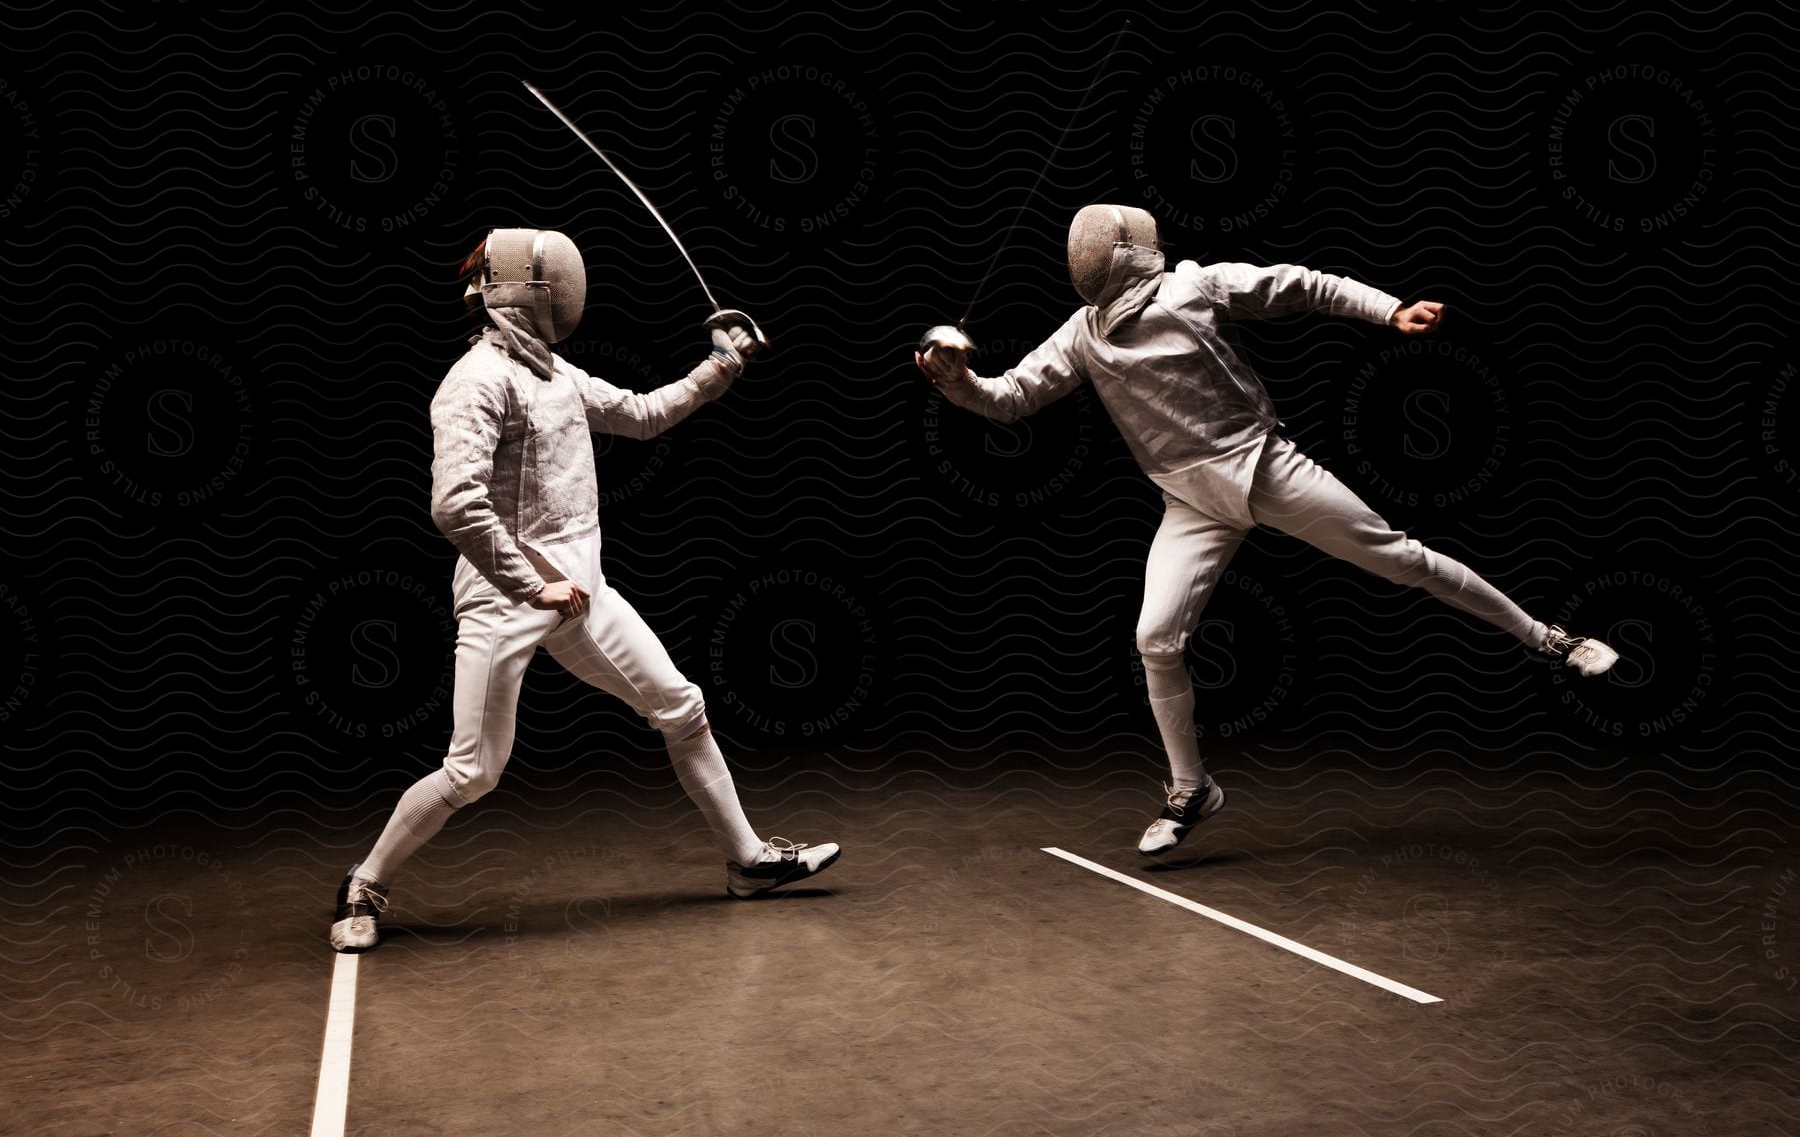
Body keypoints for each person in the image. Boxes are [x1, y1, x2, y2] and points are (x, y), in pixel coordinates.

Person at [916, 204, 1618, 858]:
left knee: (1403, 559)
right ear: (1131, 254)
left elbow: (1302, 286)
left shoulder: (1198, 286)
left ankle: (1550, 640)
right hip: (1190, 502)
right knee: (1156, 639)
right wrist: (956, 380)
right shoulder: (1082, 335)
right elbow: (1008, 398)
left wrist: (1389, 310)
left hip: (1266, 469)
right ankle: (1193, 790)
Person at [331, 228, 839, 952]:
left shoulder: (557, 375)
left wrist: (722, 362)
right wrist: (531, 583)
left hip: (582, 593)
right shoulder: (474, 382)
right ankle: (366, 883)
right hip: (506, 598)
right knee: (474, 768)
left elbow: (641, 414)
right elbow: (455, 504)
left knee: (681, 705)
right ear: (523, 293)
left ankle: (749, 862)